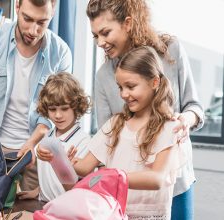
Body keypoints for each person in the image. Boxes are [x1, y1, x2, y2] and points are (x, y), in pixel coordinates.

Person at [86, 0, 204, 219]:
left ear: (128, 23)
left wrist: (185, 120)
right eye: (95, 36)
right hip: (131, 193)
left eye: (105, 32)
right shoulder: (103, 76)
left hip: (176, 181)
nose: (100, 42)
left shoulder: (170, 51)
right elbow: (106, 138)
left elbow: (194, 107)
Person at [0, 0, 72, 192]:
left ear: (53, 12)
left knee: (28, 212)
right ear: (17, 6)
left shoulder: (61, 52)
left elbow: (55, 110)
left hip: (36, 152)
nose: (33, 30)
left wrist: (33, 143)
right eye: (27, 19)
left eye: (42, 22)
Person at [69, 46, 185, 219]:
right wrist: (64, 161)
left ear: (154, 82)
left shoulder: (169, 128)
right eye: (120, 87)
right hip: (113, 213)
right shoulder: (115, 124)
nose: (123, 94)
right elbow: (85, 168)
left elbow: (157, 179)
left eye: (130, 86)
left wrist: (114, 177)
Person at [17, 72, 91, 201]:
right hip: (44, 203)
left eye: (64, 109)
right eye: (52, 109)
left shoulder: (84, 141)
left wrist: (59, 160)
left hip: (67, 208)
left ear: (76, 107)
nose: (57, 115)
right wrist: (37, 191)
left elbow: (79, 187)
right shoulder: (48, 135)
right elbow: (49, 176)